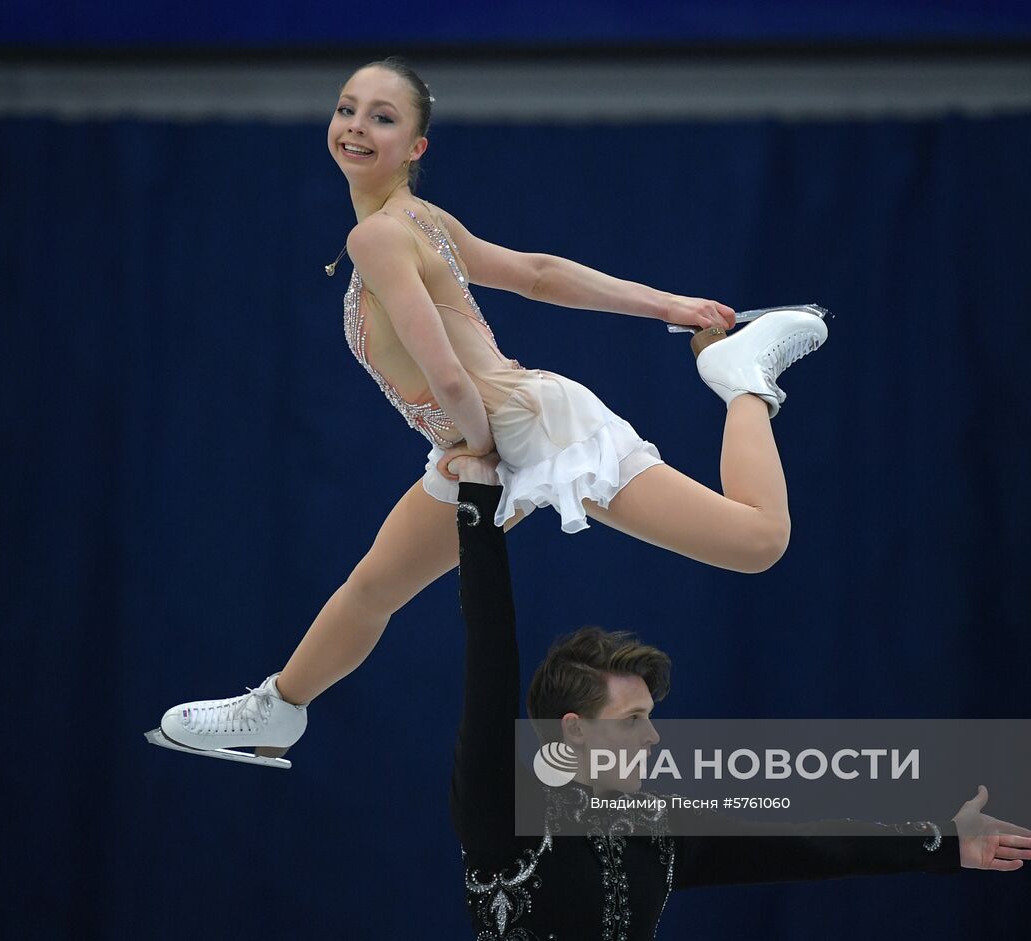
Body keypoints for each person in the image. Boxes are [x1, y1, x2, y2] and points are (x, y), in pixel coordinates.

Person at [147, 56, 830, 765]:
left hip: (522, 428)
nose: (356, 126)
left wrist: (476, 451)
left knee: (758, 541)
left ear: (415, 146)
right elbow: (537, 274)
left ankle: (741, 377)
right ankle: (278, 708)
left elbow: (448, 371)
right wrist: (667, 305)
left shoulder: (379, 235)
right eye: (347, 109)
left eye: (382, 117)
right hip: (491, 437)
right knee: (374, 585)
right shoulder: (416, 222)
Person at [447, 457, 1031, 940]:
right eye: (632, 720)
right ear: (574, 729)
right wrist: (477, 501)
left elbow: (808, 845)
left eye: (650, 719)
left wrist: (945, 840)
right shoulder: (505, 808)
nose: (653, 737)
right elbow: (490, 653)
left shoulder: (659, 829)